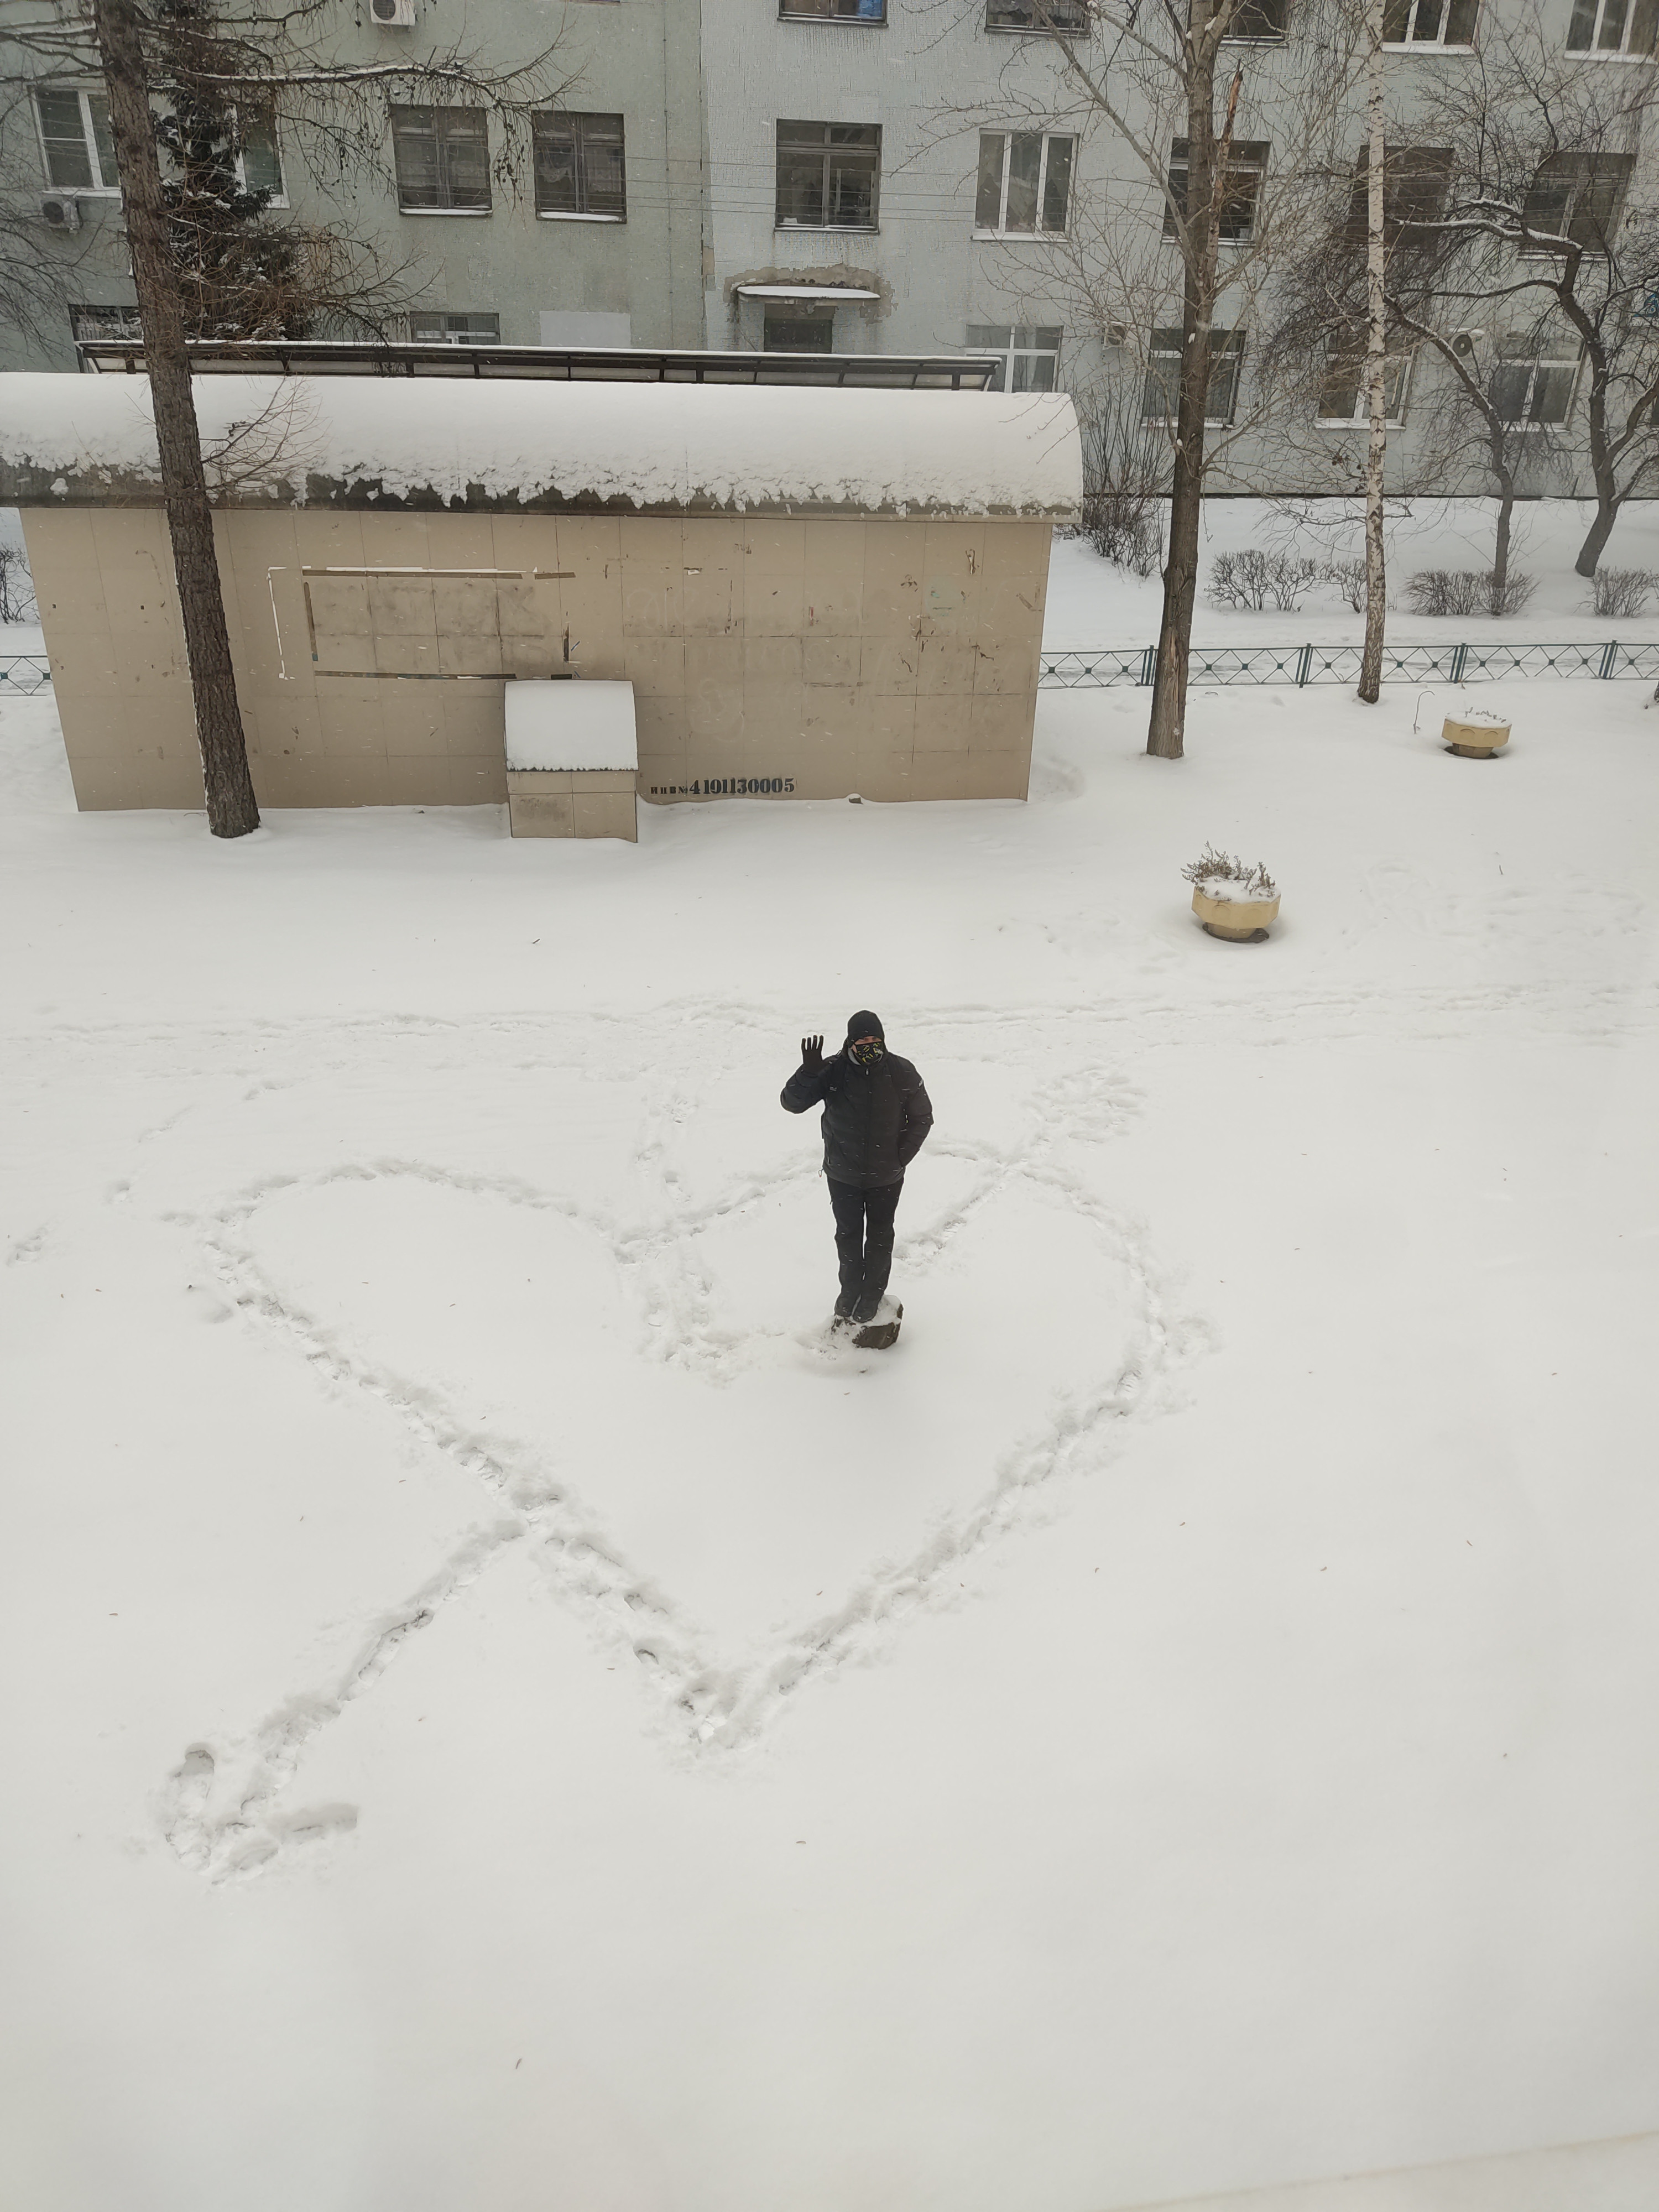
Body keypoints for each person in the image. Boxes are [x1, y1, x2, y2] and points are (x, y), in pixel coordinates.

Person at [780, 1011, 933, 1326]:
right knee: (848, 1236)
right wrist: (808, 1074)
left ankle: (873, 1295)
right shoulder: (833, 1070)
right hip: (842, 1174)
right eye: (862, 1040)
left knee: (879, 1236)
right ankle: (849, 1291)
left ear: (883, 1039)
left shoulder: (901, 1071)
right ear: (850, 1041)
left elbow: (922, 1118)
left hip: (886, 1175)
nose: (869, 1046)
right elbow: (792, 1104)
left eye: (874, 1040)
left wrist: (900, 1157)